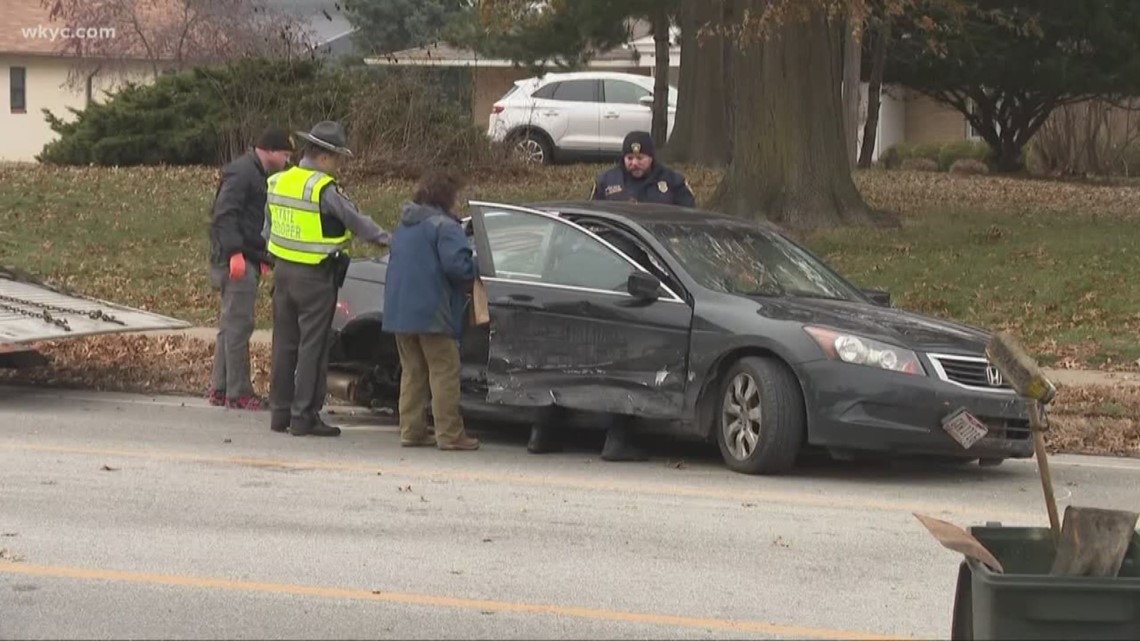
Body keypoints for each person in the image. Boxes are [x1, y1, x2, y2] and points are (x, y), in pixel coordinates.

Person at [264, 121, 391, 437]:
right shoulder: (322, 189)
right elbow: (356, 222)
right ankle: (304, 416)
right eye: (337, 160)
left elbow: (266, 230)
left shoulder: (279, 181)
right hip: (315, 277)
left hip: (283, 275)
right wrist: (390, 239)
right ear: (324, 157)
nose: (338, 167)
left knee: (283, 344)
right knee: (314, 347)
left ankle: (280, 413)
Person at [382, 170, 480, 451]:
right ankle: (450, 434)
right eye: (458, 196)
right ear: (446, 197)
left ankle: (411, 431)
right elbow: (457, 267)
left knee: (412, 372)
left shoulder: (405, 226)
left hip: (400, 311)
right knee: (444, 371)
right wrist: (478, 267)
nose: (460, 202)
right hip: (433, 311)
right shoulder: (445, 227)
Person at [206, 126, 295, 411]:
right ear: (269, 151)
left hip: (245, 256)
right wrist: (235, 254)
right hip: (235, 259)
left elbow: (249, 220)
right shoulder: (243, 173)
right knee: (239, 327)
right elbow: (224, 213)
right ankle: (239, 393)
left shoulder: (252, 172)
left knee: (229, 326)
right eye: (285, 154)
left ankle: (220, 388)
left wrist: (261, 258)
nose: (287, 160)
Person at [589, 131, 695, 207]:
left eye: (640, 158)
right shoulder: (605, 181)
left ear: (651, 158)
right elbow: (593, 215)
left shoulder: (674, 181)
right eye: (630, 158)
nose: (635, 163)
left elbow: (689, 216)